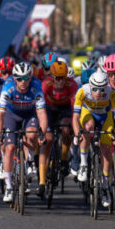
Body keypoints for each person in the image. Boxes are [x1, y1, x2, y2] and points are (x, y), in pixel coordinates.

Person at [0, 62, 48, 203]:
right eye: (19, 78)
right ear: (14, 78)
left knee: (32, 135)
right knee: (10, 147)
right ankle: (8, 187)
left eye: (26, 78)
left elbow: (42, 114)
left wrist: (42, 133)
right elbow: (0, 115)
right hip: (11, 115)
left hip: (30, 114)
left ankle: (30, 160)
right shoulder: (8, 88)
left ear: (30, 77)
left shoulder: (36, 87)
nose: (23, 82)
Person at [73, 69, 115, 208]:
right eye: (95, 89)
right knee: (87, 127)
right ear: (90, 86)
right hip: (88, 113)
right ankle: (83, 164)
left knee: (106, 148)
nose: (98, 92)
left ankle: (105, 185)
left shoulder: (112, 93)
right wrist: (77, 134)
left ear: (106, 87)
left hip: (105, 116)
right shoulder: (82, 91)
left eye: (101, 89)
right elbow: (75, 117)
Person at [40, 61, 77, 197]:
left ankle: (64, 159)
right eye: (57, 78)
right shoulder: (46, 85)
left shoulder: (72, 85)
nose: (60, 81)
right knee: (48, 140)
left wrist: (74, 124)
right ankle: (42, 183)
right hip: (49, 109)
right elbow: (40, 106)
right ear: (52, 77)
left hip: (65, 108)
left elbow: (75, 107)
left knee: (66, 130)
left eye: (63, 78)